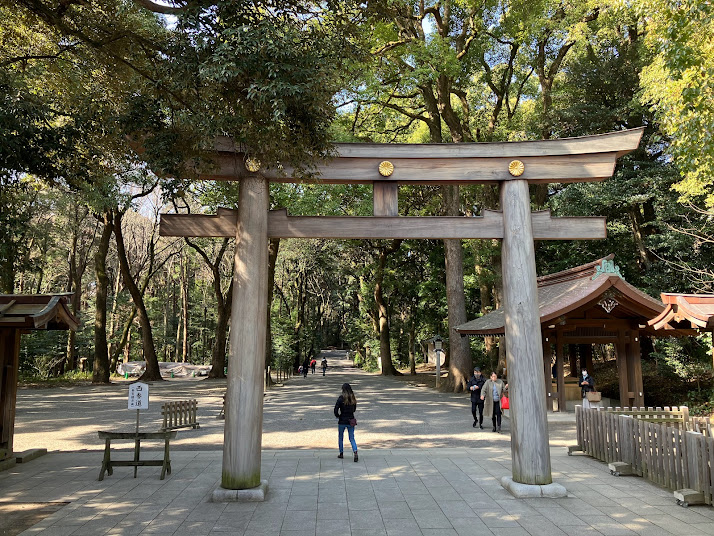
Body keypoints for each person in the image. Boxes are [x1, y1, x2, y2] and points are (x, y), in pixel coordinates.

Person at [334, 383, 358, 461]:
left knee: (341, 437)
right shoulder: (353, 398)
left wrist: (338, 415)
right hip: (351, 419)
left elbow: (336, 409)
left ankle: (341, 453)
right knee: (352, 438)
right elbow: (354, 409)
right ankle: (355, 451)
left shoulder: (341, 398)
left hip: (342, 420)